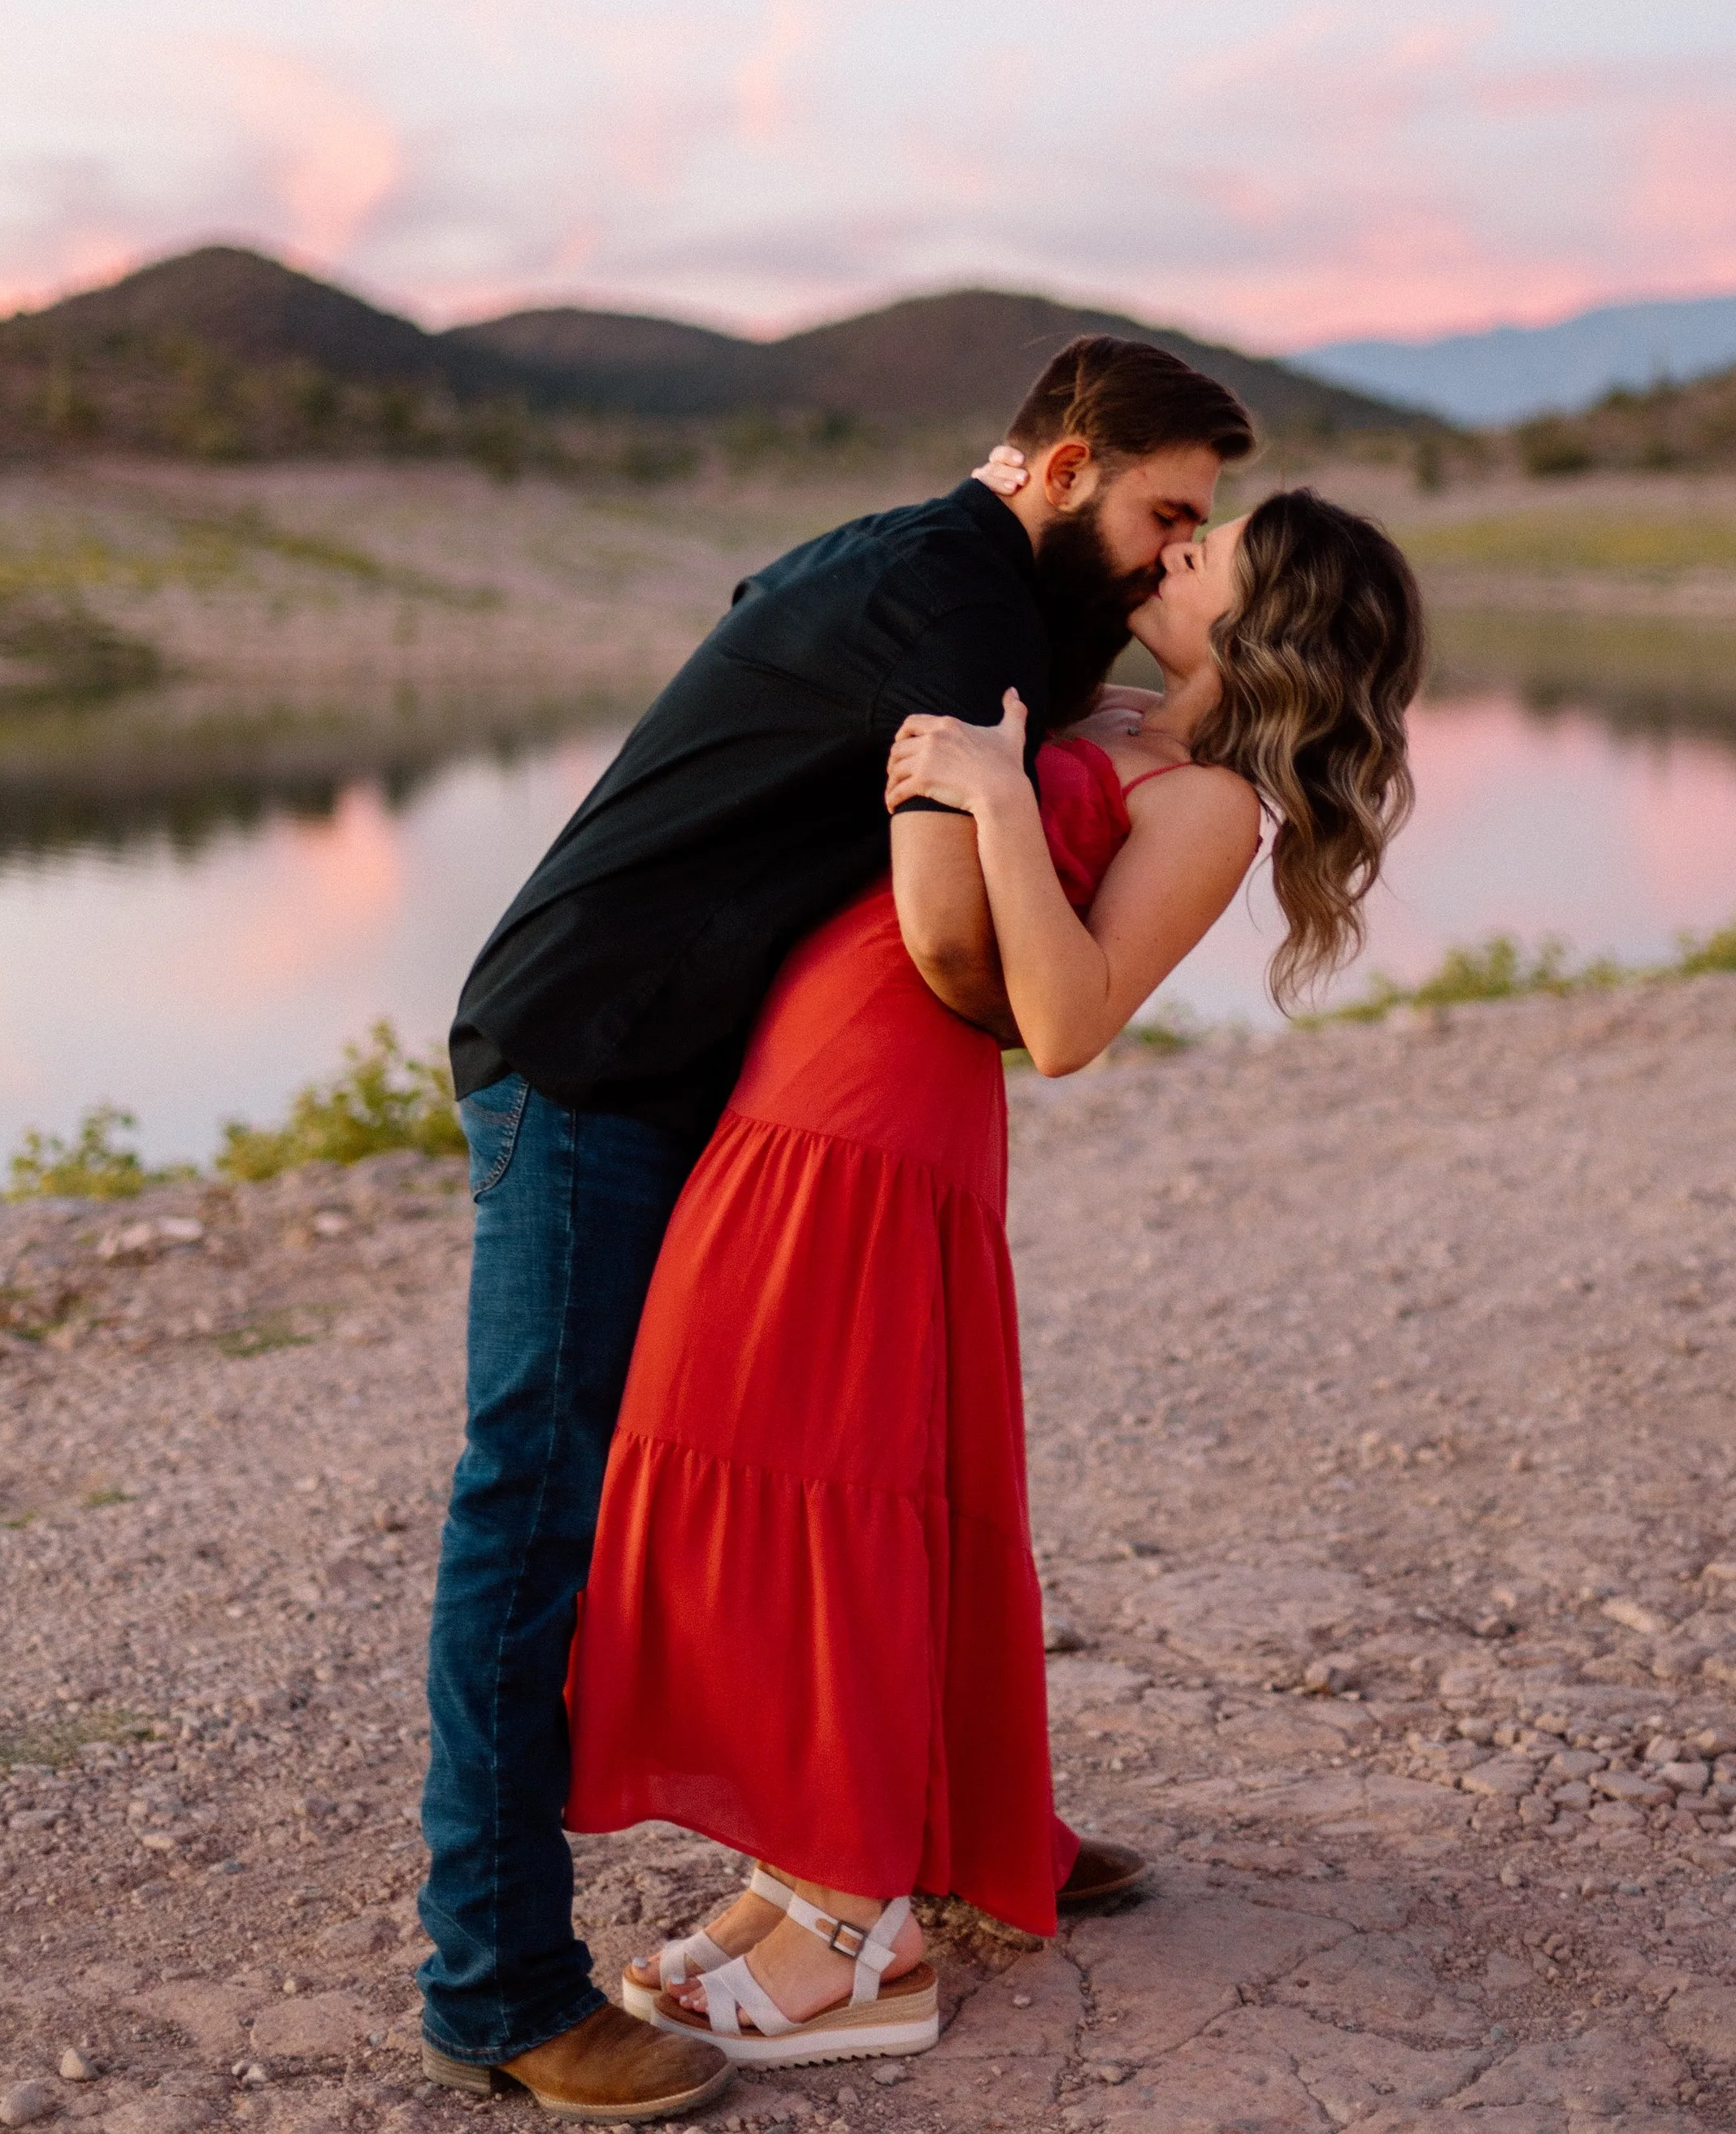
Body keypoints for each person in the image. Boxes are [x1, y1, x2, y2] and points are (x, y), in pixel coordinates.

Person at [417, 335, 1256, 2121]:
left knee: (886, 1448)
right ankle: (493, 1989)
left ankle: (972, 1822)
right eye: (1159, 515)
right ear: (1061, 463)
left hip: (686, 1075)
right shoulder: (943, 595)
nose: (1168, 557)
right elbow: (958, 948)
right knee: (537, 1506)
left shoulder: (949, 586)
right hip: (588, 1067)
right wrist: (1009, 982)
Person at [560, 480, 1422, 2074]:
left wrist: (1005, 804)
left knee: (829, 1479)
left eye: (1203, 553)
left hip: (889, 1127)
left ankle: (856, 1932)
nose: (1170, 555)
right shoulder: (1096, 704)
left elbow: (1071, 1018)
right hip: (797, 1080)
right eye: (1180, 529)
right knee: (740, 1443)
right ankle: (796, 1872)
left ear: (1264, 621)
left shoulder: (1212, 800)